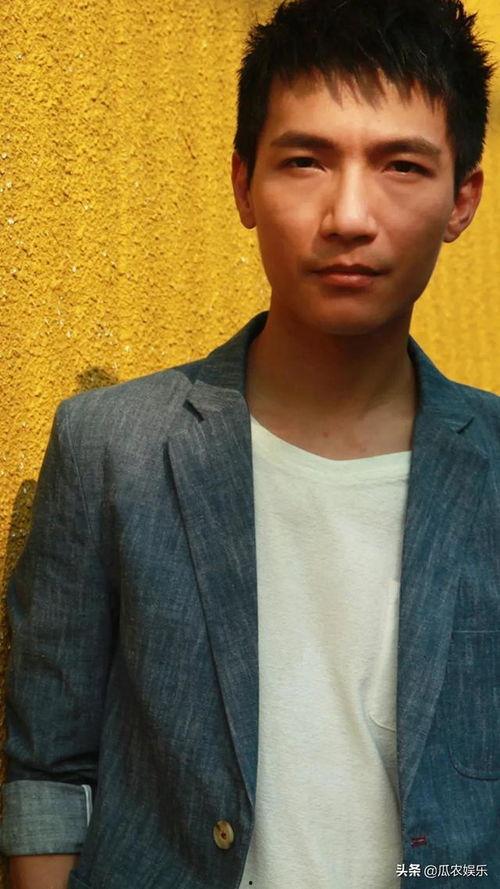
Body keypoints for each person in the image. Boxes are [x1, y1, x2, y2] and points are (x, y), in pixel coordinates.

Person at [1, 0, 499, 887]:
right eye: (305, 160)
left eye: (402, 165)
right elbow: (49, 768)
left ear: (462, 198)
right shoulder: (112, 445)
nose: (349, 215)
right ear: (243, 184)